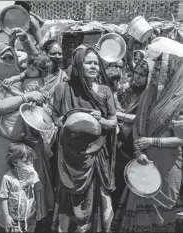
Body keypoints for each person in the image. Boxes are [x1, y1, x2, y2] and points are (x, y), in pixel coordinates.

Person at [0, 30, 54, 231]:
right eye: (3, 56)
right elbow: (0, 106)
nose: (8, 59)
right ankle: (6, 221)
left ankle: (31, 217)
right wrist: (27, 97)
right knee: (7, 183)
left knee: (30, 180)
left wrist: (21, 39)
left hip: (28, 139)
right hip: (5, 141)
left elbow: (36, 59)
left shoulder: (18, 74)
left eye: (11, 55)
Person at [111, 53, 183, 232]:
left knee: (161, 215)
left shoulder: (179, 100)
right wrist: (139, 152)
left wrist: (152, 141)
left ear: (172, 71)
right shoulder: (148, 95)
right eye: (156, 69)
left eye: (161, 70)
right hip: (143, 161)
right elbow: (138, 127)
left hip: (167, 165)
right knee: (138, 212)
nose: (157, 73)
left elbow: (181, 138)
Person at [51, 46, 117, 232]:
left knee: (95, 194)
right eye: (89, 62)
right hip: (70, 154)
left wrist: (100, 120)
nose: (94, 66)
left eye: (97, 63)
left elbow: (113, 122)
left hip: (95, 153)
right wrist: (61, 121)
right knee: (68, 193)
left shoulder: (104, 91)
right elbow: (55, 117)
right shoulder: (62, 89)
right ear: (78, 65)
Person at [111, 59, 150, 209]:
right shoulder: (124, 90)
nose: (137, 77)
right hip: (117, 139)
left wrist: (118, 115)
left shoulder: (148, 96)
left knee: (130, 181)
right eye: (136, 73)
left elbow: (141, 119)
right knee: (116, 181)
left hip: (134, 142)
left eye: (142, 74)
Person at [0, 142, 42, 233]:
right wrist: (6, 216)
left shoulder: (32, 176)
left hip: (30, 216)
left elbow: (37, 190)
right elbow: (3, 198)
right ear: (15, 163)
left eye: (31, 161)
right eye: (26, 162)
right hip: (14, 219)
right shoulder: (7, 178)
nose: (29, 164)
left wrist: (39, 208)